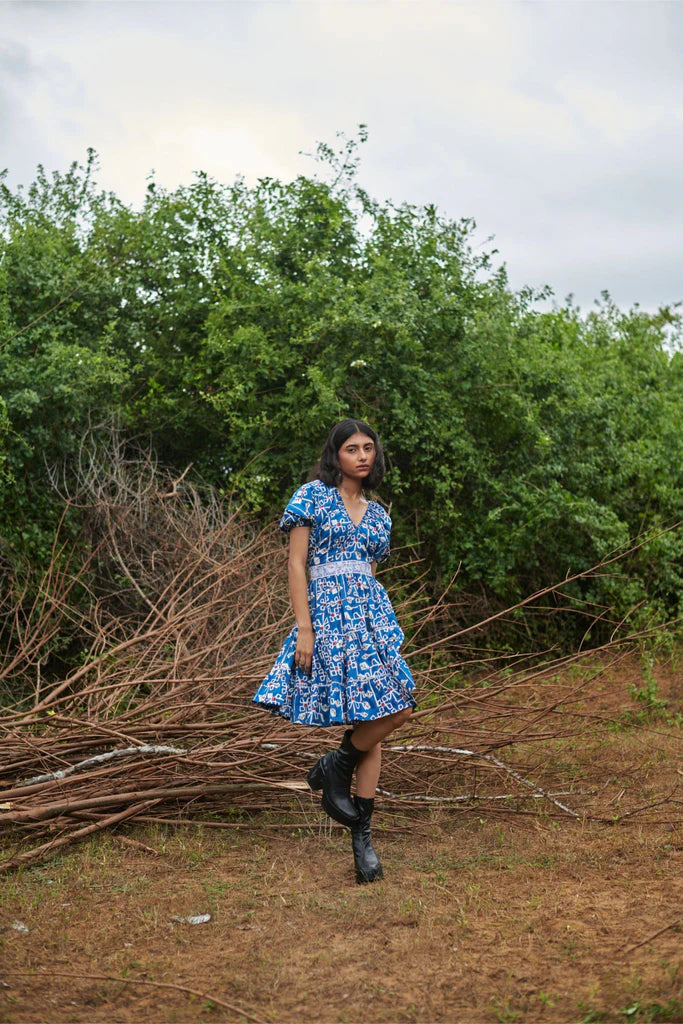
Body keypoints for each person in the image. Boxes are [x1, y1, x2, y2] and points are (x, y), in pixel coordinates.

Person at [253, 419, 415, 884]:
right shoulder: (312, 496)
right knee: (376, 724)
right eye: (351, 449)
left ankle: (336, 769)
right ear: (335, 455)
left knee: (393, 710)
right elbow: (296, 563)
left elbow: (368, 569)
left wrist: (377, 624)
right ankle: (361, 836)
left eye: (368, 448)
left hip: (369, 617)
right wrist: (305, 627)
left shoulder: (379, 514)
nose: (362, 455)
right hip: (325, 614)